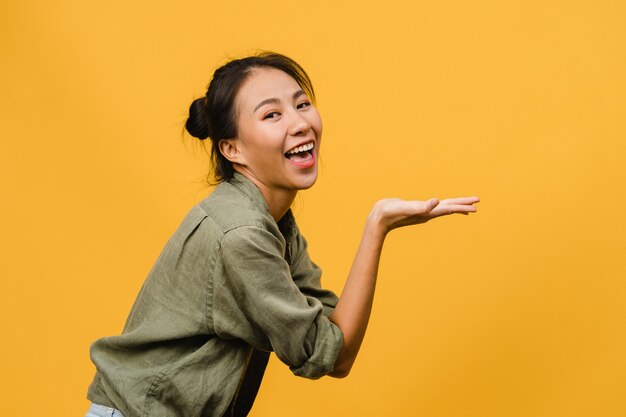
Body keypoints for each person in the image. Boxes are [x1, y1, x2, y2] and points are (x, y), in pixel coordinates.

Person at [85, 52, 479, 417]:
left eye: (301, 104)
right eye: (272, 115)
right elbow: (331, 358)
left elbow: (333, 333)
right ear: (232, 149)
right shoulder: (242, 234)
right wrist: (377, 228)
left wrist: (378, 223)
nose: (300, 123)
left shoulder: (271, 221)